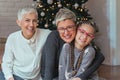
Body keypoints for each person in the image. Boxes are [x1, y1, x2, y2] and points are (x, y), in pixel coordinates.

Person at [41, 8, 105, 80]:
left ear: (76, 26)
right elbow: (49, 70)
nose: (66, 33)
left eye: (69, 27)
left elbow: (100, 57)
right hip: (54, 76)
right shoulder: (54, 37)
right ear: (57, 29)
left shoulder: (79, 38)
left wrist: (81, 77)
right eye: (61, 28)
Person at [0, 7, 51, 80]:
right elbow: (7, 62)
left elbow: (61, 32)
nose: (31, 25)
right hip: (16, 75)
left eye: (34, 21)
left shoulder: (45, 34)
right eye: (27, 20)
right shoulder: (12, 38)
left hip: (35, 78)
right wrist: (9, 77)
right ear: (19, 22)